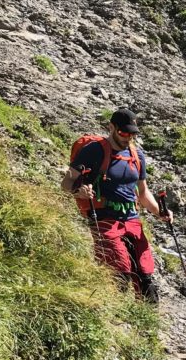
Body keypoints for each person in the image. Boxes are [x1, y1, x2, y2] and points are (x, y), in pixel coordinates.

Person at [60, 109, 171, 302]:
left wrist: (159, 212)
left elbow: (143, 192)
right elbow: (66, 183)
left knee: (145, 275)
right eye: (123, 133)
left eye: (133, 134)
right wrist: (79, 192)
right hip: (104, 217)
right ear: (111, 127)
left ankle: (146, 324)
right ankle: (110, 312)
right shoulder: (93, 151)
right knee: (118, 271)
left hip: (131, 217)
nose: (128, 137)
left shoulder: (137, 156)